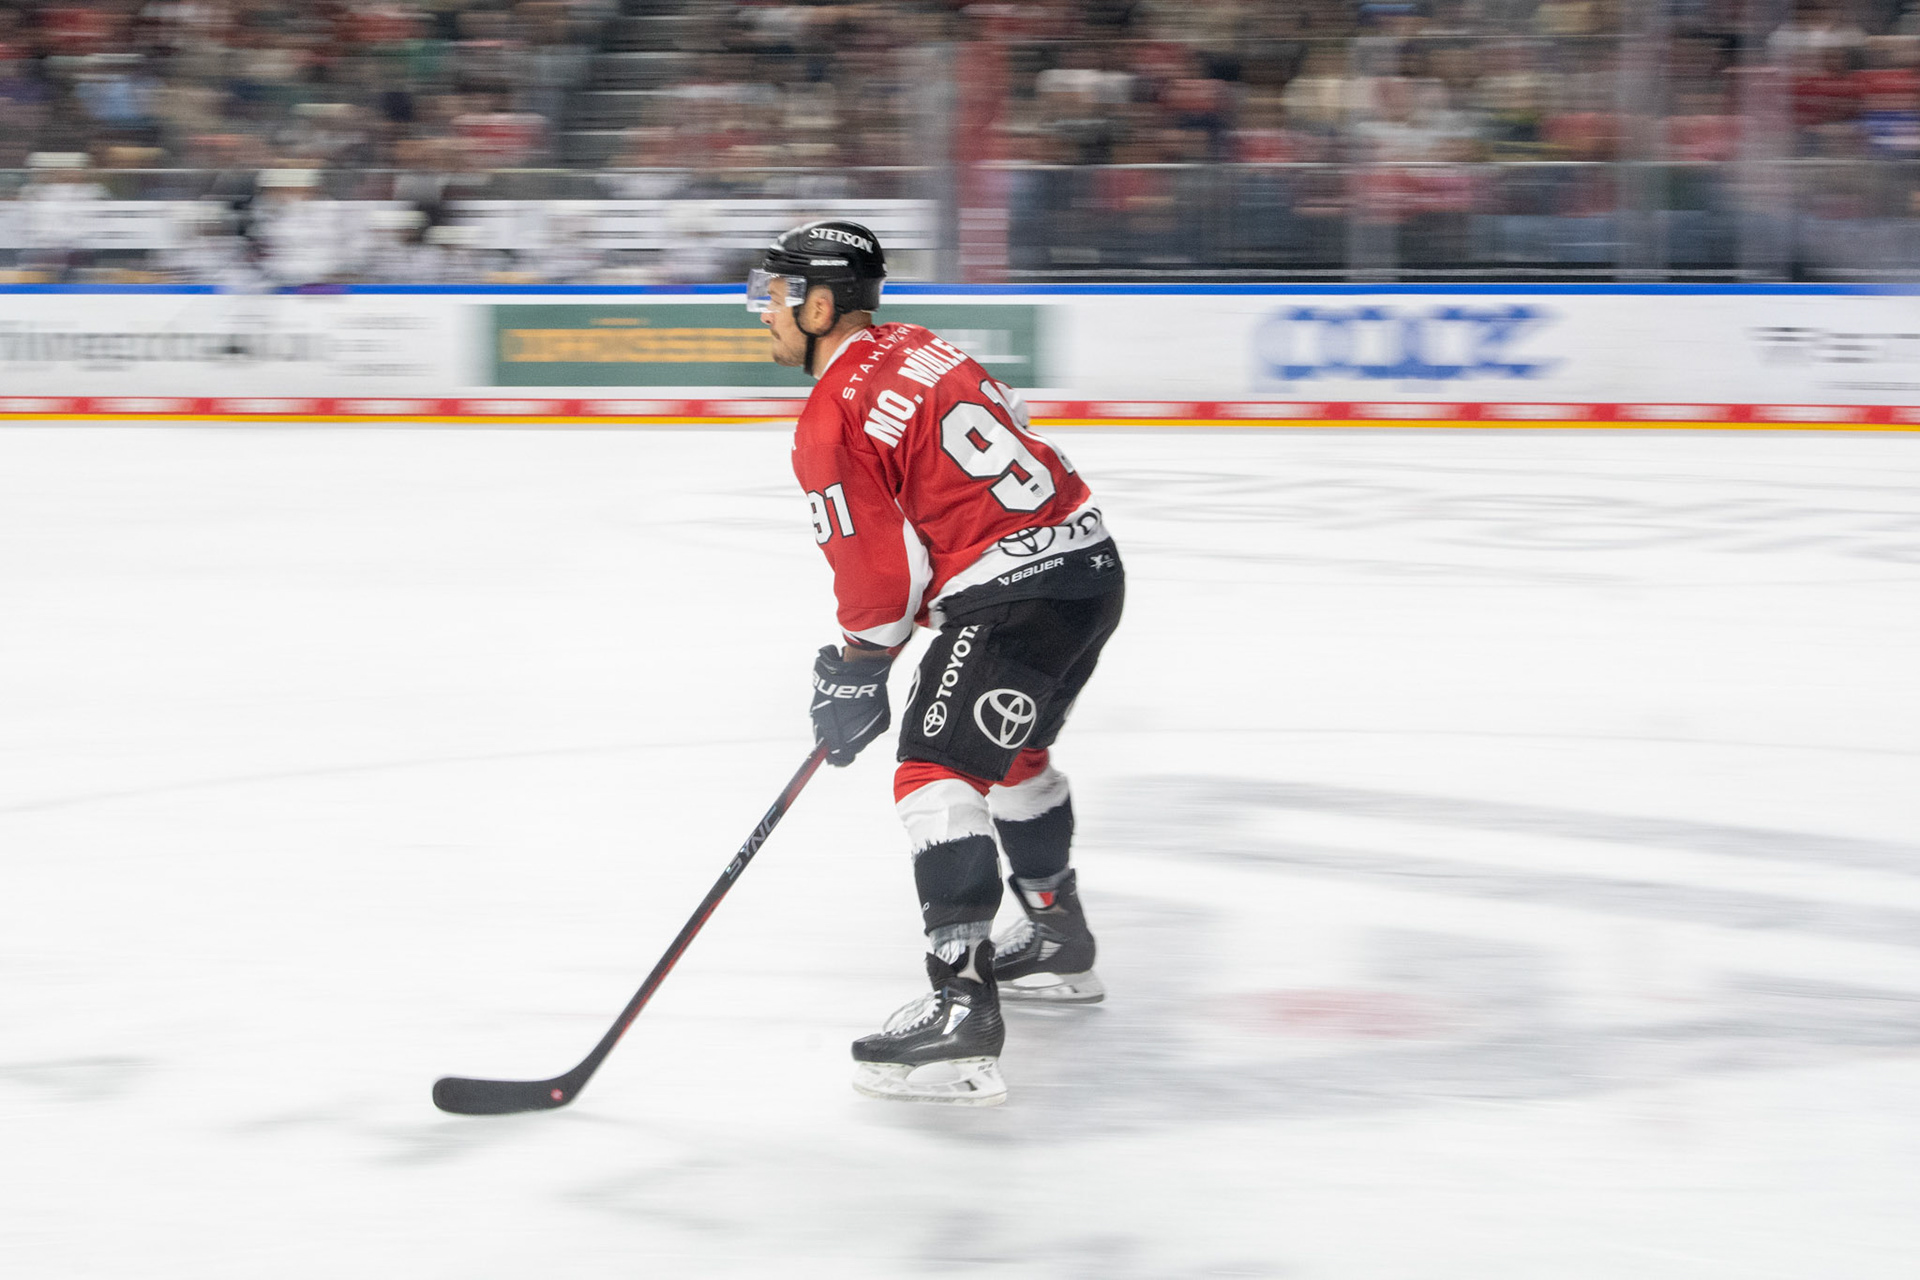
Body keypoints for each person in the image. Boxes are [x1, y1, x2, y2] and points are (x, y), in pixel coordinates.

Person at [749, 220, 1125, 1106]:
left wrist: (854, 669)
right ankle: (1057, 937)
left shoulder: (827, 419)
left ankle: (961, 1008)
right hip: (1090, 572)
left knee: (934, 769)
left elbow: (881, 580)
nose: (760, 311)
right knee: (1010, 754)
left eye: (771, 295)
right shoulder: (919, 346)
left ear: (820, 302)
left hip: (1013, 591)